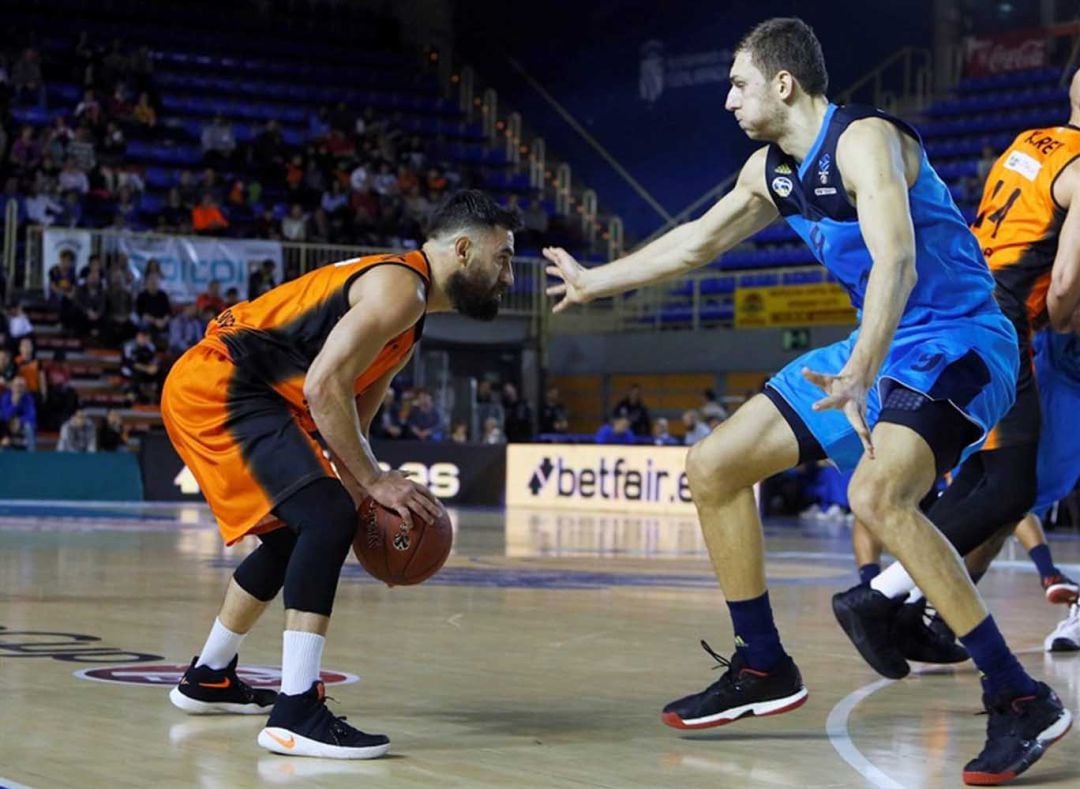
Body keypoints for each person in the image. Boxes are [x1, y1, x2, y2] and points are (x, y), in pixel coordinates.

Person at [543, 18, 1068, 783]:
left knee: (876, 494)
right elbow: (694, 243)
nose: (727, 100)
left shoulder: (865, 142)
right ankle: (763, 664)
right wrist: (596, 281)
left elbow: (898, 259)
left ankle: (1019, 696)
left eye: (738, 84)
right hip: (878, 346)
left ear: (782, 83)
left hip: (962, 339)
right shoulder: (772, 171)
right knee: (713, 465)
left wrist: (861, 368)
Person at [161, 190, 520, 759]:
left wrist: (362, 488)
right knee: (324, 516)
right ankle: (297, 711)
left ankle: (209, 676)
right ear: (462, 249)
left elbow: (352, 415)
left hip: (246, 391)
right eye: (502, 258)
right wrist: (374, 482)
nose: (508, 275)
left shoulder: (410, 316)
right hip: (226, 383)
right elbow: (322, 387)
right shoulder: (401, 288)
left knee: (302, 529)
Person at [833, 72, 1080, 671]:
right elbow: (1063, 292)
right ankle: (880, 598)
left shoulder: (1032, 143)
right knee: (1012, 488)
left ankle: (903, 604)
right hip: (1005, 322)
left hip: (972, 295)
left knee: (981, 480)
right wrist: (1064, 324)